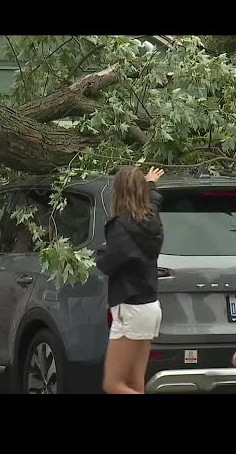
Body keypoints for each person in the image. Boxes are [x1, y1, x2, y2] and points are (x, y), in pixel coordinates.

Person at [96, 166, 165, 394]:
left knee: (113, 384)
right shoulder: (151, 220)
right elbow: (154, 203)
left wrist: (100, 253)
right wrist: (150, 184)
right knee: (135, 385)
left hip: (131, 308)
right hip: (149, 307)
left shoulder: (119, 225)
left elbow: (110, 261)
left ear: (118, 192)